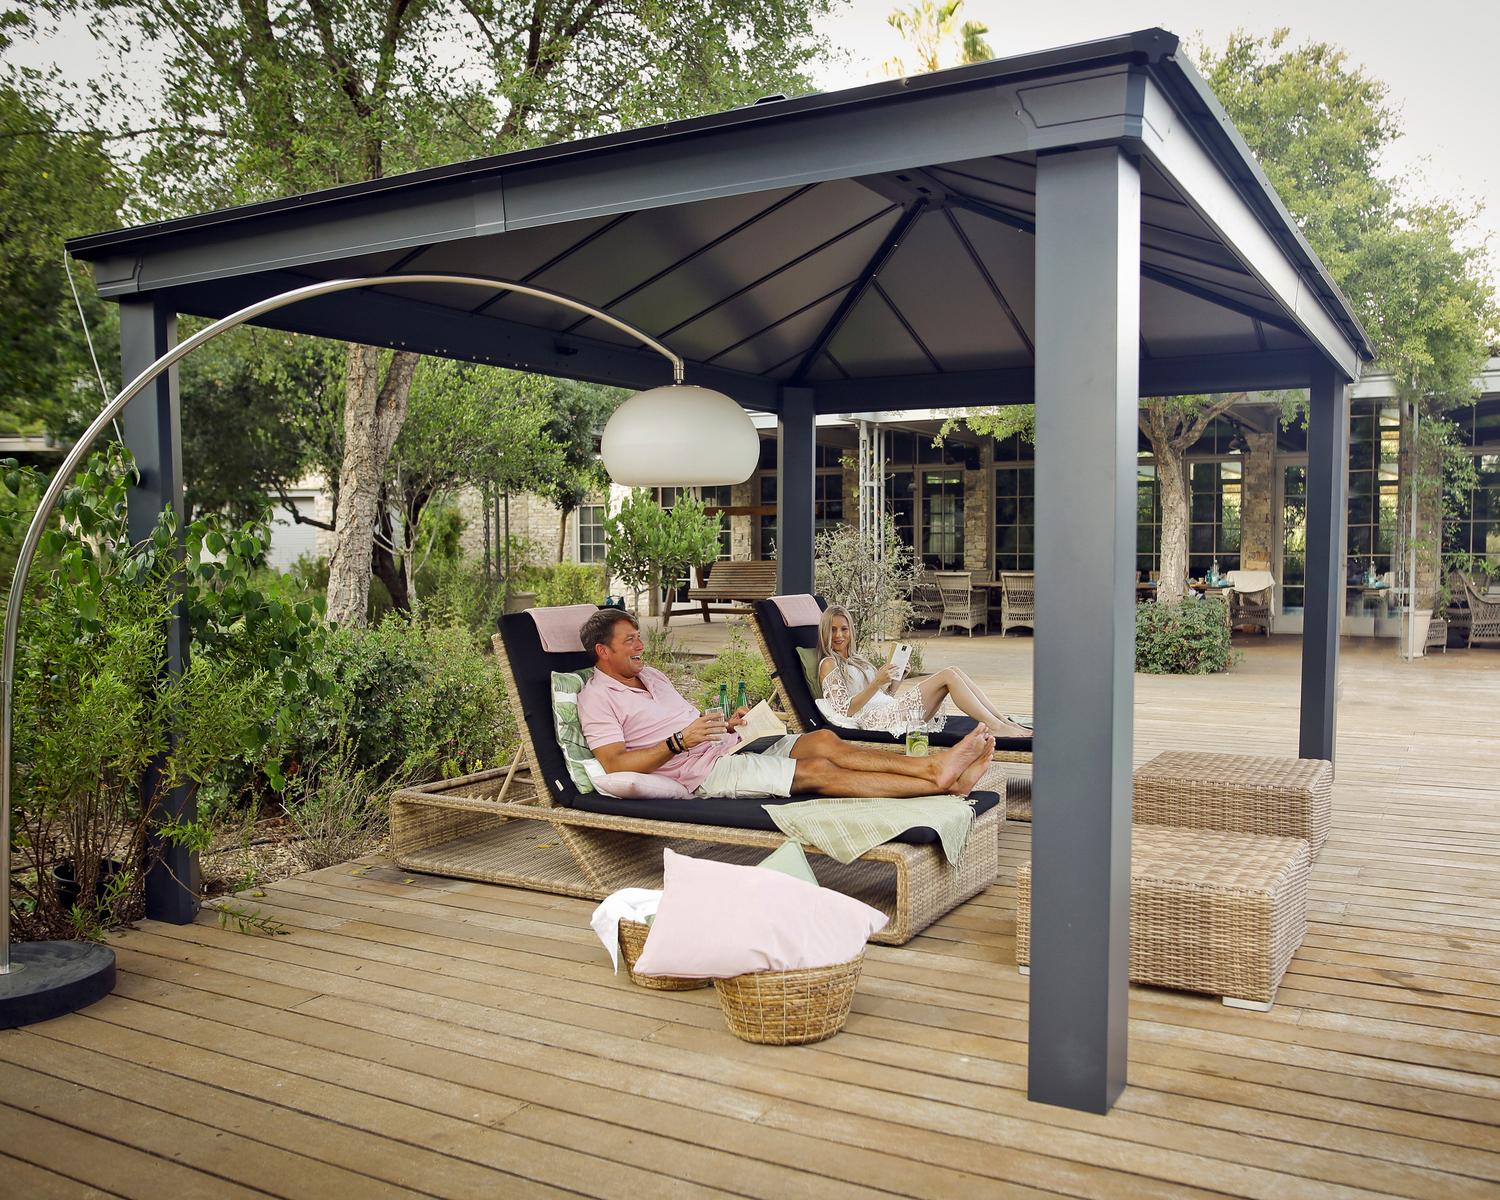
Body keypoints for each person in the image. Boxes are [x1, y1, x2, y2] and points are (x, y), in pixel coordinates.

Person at [575, 608, 994, 801]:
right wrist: (679, 743)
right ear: (602, 651)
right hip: (701, 772)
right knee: (817, 772)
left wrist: (726, 723)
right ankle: (938, 779)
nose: (640, 645)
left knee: (825, 741)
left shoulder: (651, 676)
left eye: (639, 636)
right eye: (629, 640)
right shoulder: (596, 698)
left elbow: (684, 720)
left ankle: (935, 771)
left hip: (726, 744)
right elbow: (614, 765)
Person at [817, 604, 1028, 737]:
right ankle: (994, 726)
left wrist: (896, 681)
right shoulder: (829, 663)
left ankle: (1002, 720)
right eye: (833, 629)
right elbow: (845, 710)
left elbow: (882, 696)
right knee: (948, 675)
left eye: (844, 629)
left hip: (890, 709)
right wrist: (876, 683)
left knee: (953, 670)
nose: (839, 635)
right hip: (877, 720)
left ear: (851, 631)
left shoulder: (857, 659)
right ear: (825, 632)